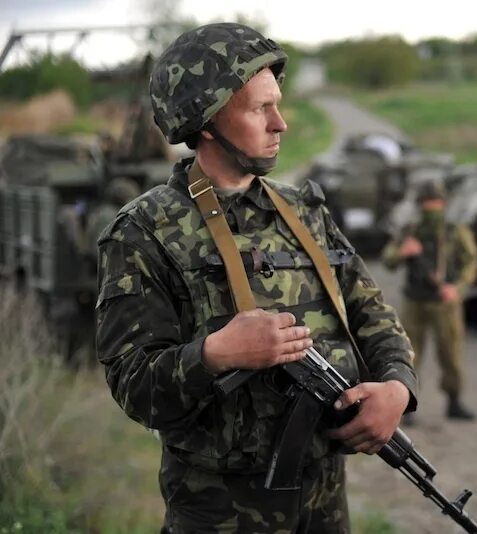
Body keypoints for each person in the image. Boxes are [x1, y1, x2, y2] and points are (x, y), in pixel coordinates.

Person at [95, 23, 418, 534]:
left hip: (325, 499)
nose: (281, 123)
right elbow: (133, 384)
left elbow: (371, 311)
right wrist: (216, 354)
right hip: (218, 509)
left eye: (278, 104)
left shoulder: (304, 211)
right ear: (205, 121)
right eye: (259, 109)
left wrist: (397, 387)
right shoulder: (141, 232)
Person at [382, 179, 477, 421]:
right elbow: (388, 259)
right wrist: (403, 252)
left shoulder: (455, 231)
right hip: (415, 301)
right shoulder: (410, 231)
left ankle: (454, 400)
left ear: (444, 204)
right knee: (410, 354)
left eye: (435, 202)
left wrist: (458, 288)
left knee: (451, 354)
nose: (431, 208)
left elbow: (472, 261)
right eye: (426, 203)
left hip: (445, 302)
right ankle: (408, 405)